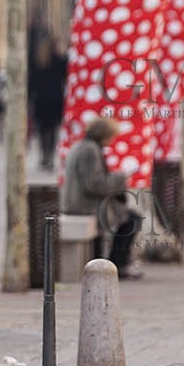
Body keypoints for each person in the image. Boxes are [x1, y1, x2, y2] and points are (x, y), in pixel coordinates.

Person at [61, 116, 143, 280]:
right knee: (132, 219)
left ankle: (115, 263)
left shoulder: (84, 147)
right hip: (85, 205)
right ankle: (117, 263)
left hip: (83, 202)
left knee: (128, 216)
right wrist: (121, 177)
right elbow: (94, 184)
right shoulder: (90, 151)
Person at [28, 36, 69, 170]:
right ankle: (50, 156)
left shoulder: (37, 62)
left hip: (41, 100)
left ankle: (44, 156)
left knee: (42, 130)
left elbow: (31, 83)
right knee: (52, 129)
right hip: (55, 100)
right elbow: (66, 75)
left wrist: (29, 99)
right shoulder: (58, 60)